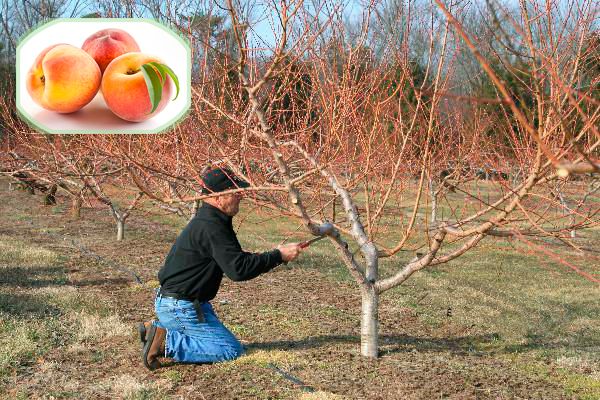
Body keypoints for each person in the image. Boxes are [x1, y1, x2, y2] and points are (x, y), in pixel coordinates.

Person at [139, 167, 303, 370]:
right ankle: (164, 342)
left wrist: (274, 253)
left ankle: (157, 331)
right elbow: (238, 270)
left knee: (223, 345)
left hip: (184, 304)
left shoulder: (212, 221)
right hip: (181, 307)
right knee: (229, 350)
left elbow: (234, 259)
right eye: (235, 192)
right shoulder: (212, 226)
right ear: (218, 197)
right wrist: (279, 256)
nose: (241, 196)